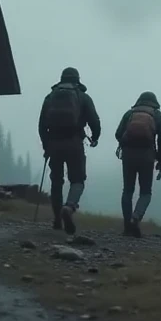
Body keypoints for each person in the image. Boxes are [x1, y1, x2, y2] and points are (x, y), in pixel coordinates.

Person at [38, 66, 101, 235]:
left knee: (56, 181)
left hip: (54, 144)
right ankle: (69, 206)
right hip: (74, 143)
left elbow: (42, 125)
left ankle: (58, 220)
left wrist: (46, 146)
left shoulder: (50, 97)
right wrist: (95, 137)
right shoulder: (83, 97)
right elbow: (94, 121)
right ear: (77, 80)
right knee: (77, 179)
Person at [113, 91, 161, 238]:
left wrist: (125, 144)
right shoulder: (157, 115)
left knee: (127, 190)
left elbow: (118, 133)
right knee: (145, 192)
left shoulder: (129, 113)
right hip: (147, 156)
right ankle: (136, 217)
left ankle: (127, 227)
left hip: (128, 155)